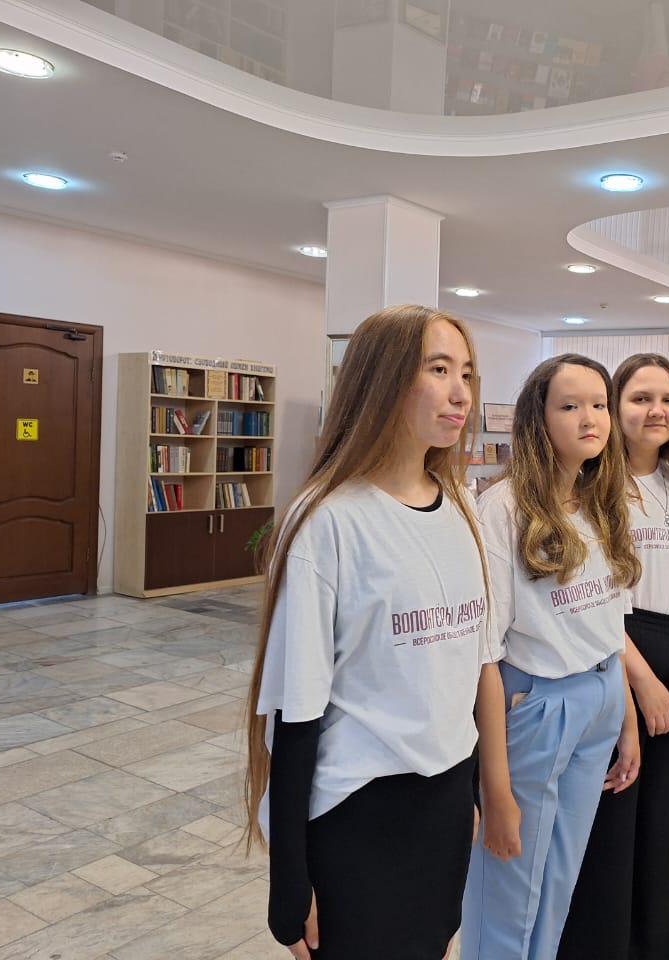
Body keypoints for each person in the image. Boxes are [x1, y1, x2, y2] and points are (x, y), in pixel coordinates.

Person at [242, 305, 493, 960]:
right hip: (360, 814)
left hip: (443, 804)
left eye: (466, 373)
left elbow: (459, 677)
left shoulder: (461, 508)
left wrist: (468, 793)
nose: (461, 393)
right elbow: (295, 713)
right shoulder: (328, 520)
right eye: (438, 370)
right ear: (383, 380)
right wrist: (289, 880)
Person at [461, 354, 642, 960]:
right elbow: (485, 655)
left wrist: (627, 721)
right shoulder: (503, 508)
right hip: (536, 703)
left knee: (558, 879)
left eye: (599, 405)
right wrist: (494, 788)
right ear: (538, 419)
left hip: (601, 695)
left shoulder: (603, 499)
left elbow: (611, 625)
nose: (590, 418)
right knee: (508, 886)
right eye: (570, 406)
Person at [558, 354, 669, 960]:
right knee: (612, 818)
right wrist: (644, 685)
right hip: (620, 651)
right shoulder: (593, 491)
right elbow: (595, 599)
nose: (657, 411)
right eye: (640, 398)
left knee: (658, 821)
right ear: (613, 407)